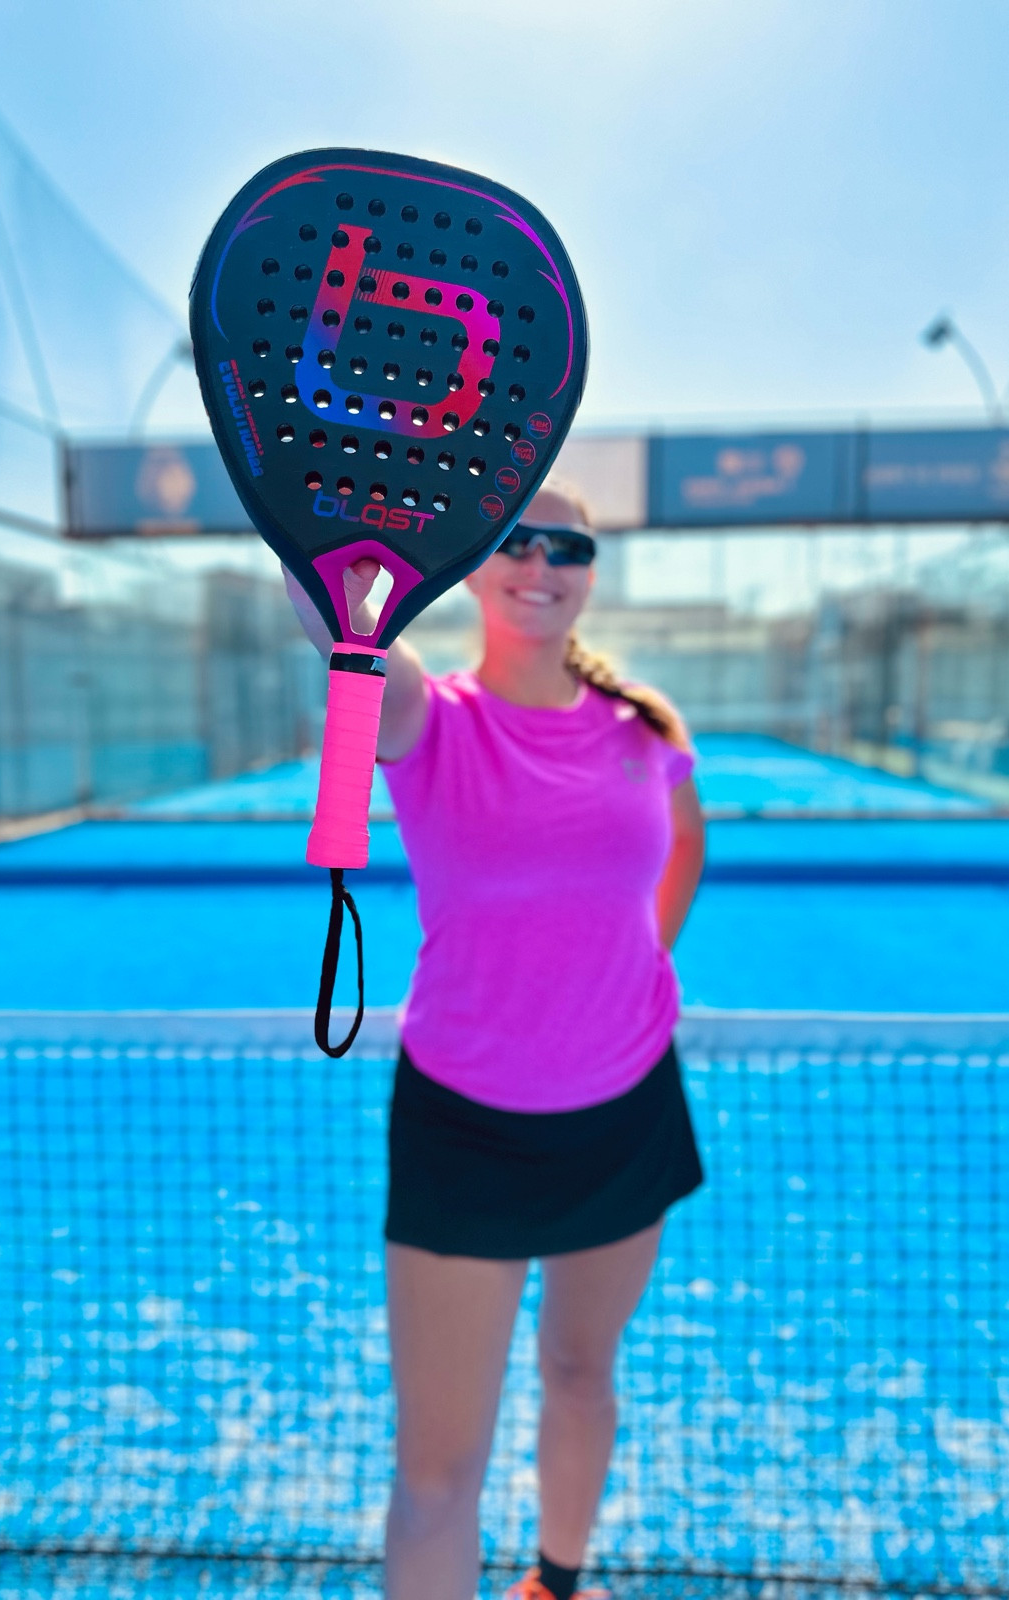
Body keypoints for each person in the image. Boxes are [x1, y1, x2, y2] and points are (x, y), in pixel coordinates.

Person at [284, 482, 706, 1600]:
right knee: (436, 1476)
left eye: (569, 546)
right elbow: (340, 629)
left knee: (582, 1372)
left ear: (592, 572)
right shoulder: (429, 715)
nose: (541, 564)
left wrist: (629, 966)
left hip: (628, 1112)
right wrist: (306, 523)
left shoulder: (647, 726)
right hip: (463, 1130)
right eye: (516, 538)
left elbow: (680, 849)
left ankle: (556, 1584)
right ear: (474, 558)